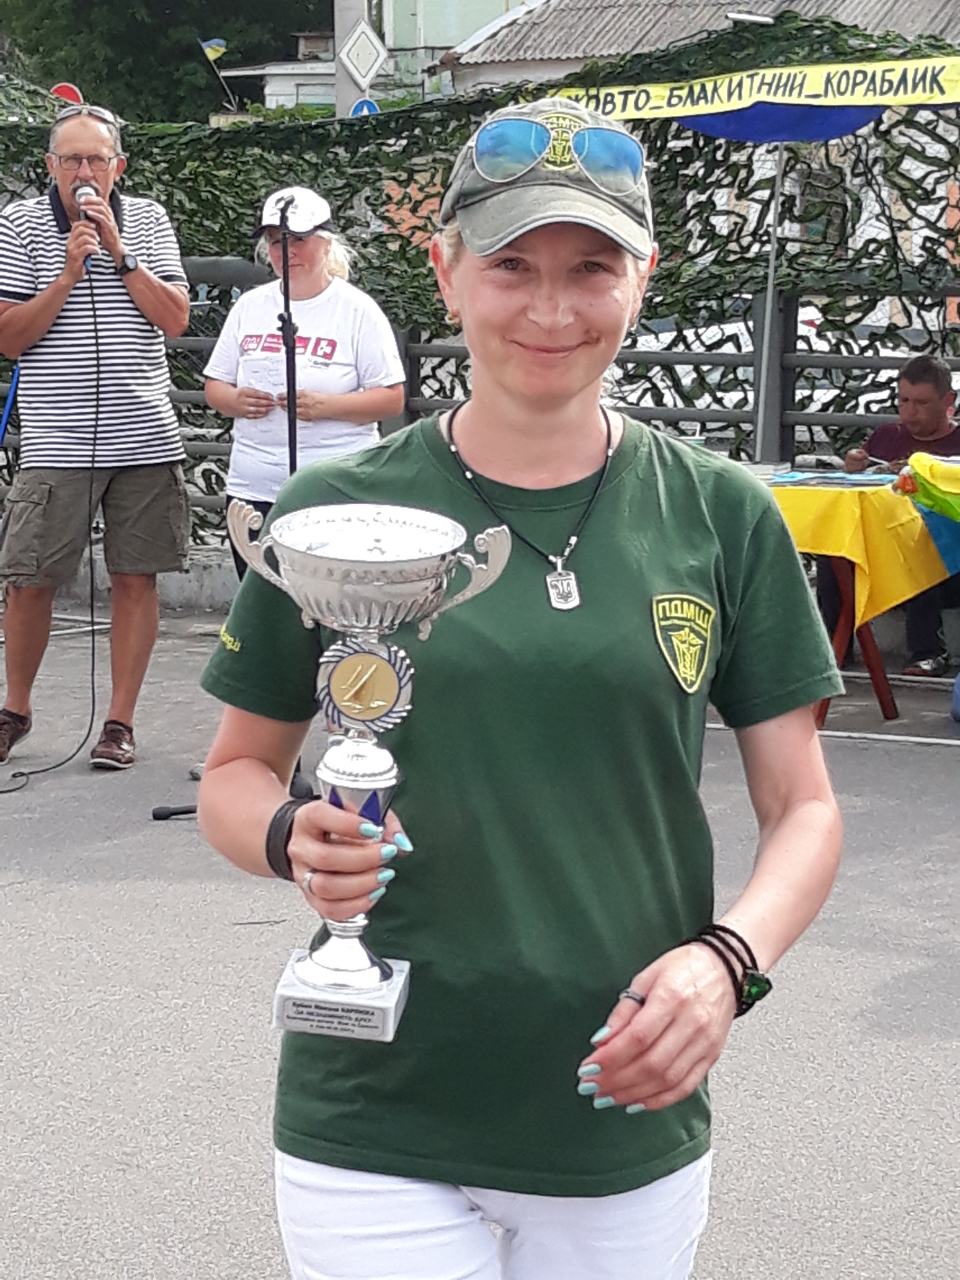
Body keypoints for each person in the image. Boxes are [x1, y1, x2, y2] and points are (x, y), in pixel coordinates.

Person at [197, 97, 843, 1280]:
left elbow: (804, 805)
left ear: (642, 280)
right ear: (446, 273)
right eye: (511, 266)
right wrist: (293, 834)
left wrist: (726, 960)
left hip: (621, 1092)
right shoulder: (331, 511)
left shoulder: (723, 513)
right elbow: (235, 773)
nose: (551, 309)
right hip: (374, 1102)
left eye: (591, 268)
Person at [0, 103, 190, 768]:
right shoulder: (19, 224)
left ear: (119, 167)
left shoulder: (150, 221)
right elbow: (9, 336)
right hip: (57, 439)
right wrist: (67, 275)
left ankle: (119, 723)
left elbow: (175, 319)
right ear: (50, 166)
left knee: (136, 578)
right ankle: (15, 709)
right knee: (29, 579)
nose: (84, 172)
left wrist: (119, 253)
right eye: (72, 160)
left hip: (144, 436)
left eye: (96, 160)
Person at [203, 185, 405, 579]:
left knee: (333, 598)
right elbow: (215, 385)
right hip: (254, 487)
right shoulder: (249, 306)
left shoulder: (356, 309)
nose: (287, 252)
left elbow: (391, 398)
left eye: (298, 240)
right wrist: (236, 400)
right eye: (276, 242)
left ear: (325, 244)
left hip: (336, 484)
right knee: (261, 596)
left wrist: (327, 407)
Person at [819, 354, 960, 675]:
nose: (910, 411)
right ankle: (833, 648)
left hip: (949, 561)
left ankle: (929, 651)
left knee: (918, 538)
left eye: (921, 403)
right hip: (884, 553)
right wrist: (855, 470)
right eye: (904, 400)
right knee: (833, 552)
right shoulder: (886, 437)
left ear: (947, 401)